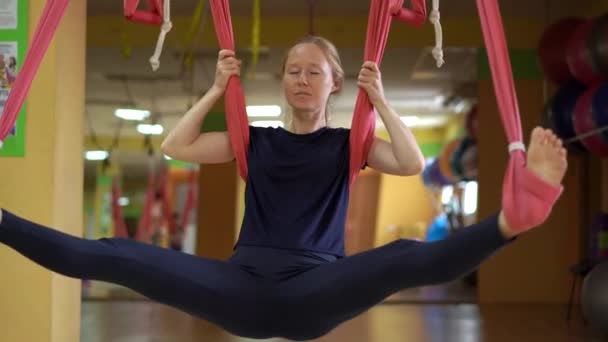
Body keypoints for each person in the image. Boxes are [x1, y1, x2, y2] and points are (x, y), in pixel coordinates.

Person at [0, 36, 567, 341]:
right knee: (114, 255)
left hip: (314, 287)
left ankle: (509, 223)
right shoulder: (256, 140)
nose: (300, 78)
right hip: (239, 284)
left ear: (335, 84)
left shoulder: (350, 144)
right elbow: (177, 144)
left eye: (313, 71)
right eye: (293, 70)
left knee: (400, 258)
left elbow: (411, 161)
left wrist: (384, 101)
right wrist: (217, 88)